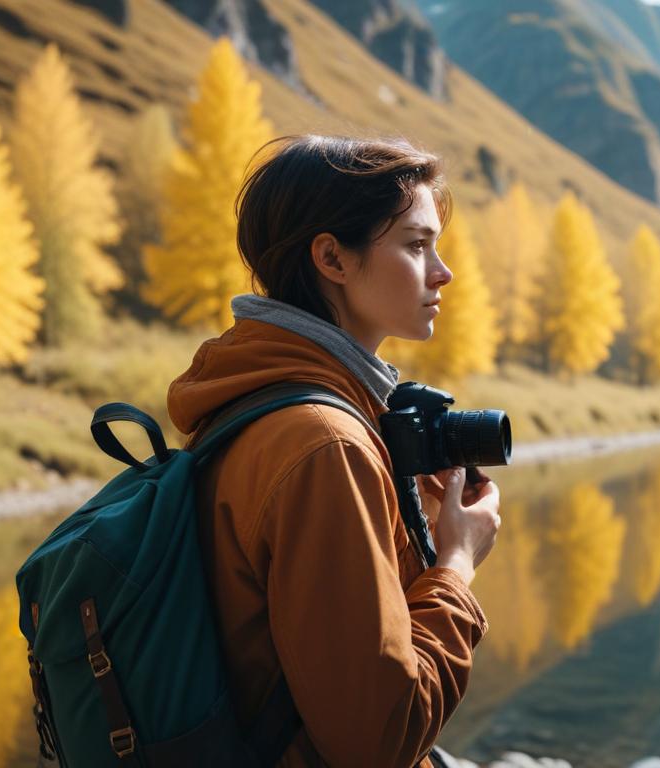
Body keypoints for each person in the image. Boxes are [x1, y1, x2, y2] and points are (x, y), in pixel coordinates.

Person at [166, 135, 501, 767]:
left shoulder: (260, 400)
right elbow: (379, 739)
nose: (443, 270)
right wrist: (456, 562)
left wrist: (411, 526)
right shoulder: (323, 444)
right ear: (332, 258)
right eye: (415, 244)